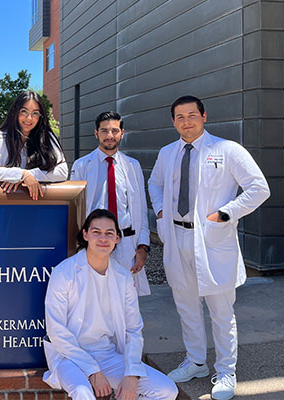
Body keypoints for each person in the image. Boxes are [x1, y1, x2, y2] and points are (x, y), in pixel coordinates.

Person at [148, 95, 270, 400]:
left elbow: (259, 188)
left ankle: (226, 370)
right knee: (186, 306)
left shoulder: (227, 150)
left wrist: (225, 213)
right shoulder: (167, 153)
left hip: (213, 240)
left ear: (205, 116)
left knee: (220, 310)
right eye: (179, 117)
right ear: (173, 121)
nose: (186, 121)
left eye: (192, 115)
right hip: (177, 238)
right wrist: (161, 211)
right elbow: (155, 184)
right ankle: (196, 361)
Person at [43, 209, 177, 400]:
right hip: (70, 356)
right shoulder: (64, 272)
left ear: (117, 239)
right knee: (83, 392)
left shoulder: (123, 277)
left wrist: (131, 374)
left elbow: (133, 329)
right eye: (96, 232)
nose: (103, 238)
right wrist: (92, 370)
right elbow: (56, 330)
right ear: (85, 235)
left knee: (166, 390)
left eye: (109, 233)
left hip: (107, 355)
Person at [70, 111, 151, 296]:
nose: (109, 135)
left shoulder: (132, 166)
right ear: (96, 133)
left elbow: (140, 210)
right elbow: (75, 211)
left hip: (126, 243)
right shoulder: (82, 166)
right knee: (94, 296)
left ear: (122, 133)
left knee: (125, 298)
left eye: (115, 130)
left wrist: (142, 247)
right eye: (104, 130)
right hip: (94, 241)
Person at [0, 91, 68, 200]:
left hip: (36, 204)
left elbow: (62, 172)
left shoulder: (47, 138)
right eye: (24, 111)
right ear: (15, 112)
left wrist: (29, 176)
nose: (29, 118)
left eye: (35, 113)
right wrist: (21, 174)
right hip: (3, 203)